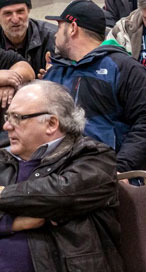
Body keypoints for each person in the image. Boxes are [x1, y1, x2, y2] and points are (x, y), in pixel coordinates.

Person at [0, 81, 124, 272]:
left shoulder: (94, 157)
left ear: (51, 123)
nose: (7, 126)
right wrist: (13, 223)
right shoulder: (3, 157)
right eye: (8, 117)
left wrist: (3, 194)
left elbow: (61, 194)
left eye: (17, 118)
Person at [42, 0, 146, 171]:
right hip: (50, 169)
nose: (55, 35)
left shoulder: (124, 68)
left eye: (59, 27)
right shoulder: (56, 71)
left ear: (72, 28)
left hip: (100, 172)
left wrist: (120, 167)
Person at [0, 0, 56, 75]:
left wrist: (55, 75)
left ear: (29, 10)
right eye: (7, 13)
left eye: (20, 11)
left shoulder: (53, 37)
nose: (15, 19)